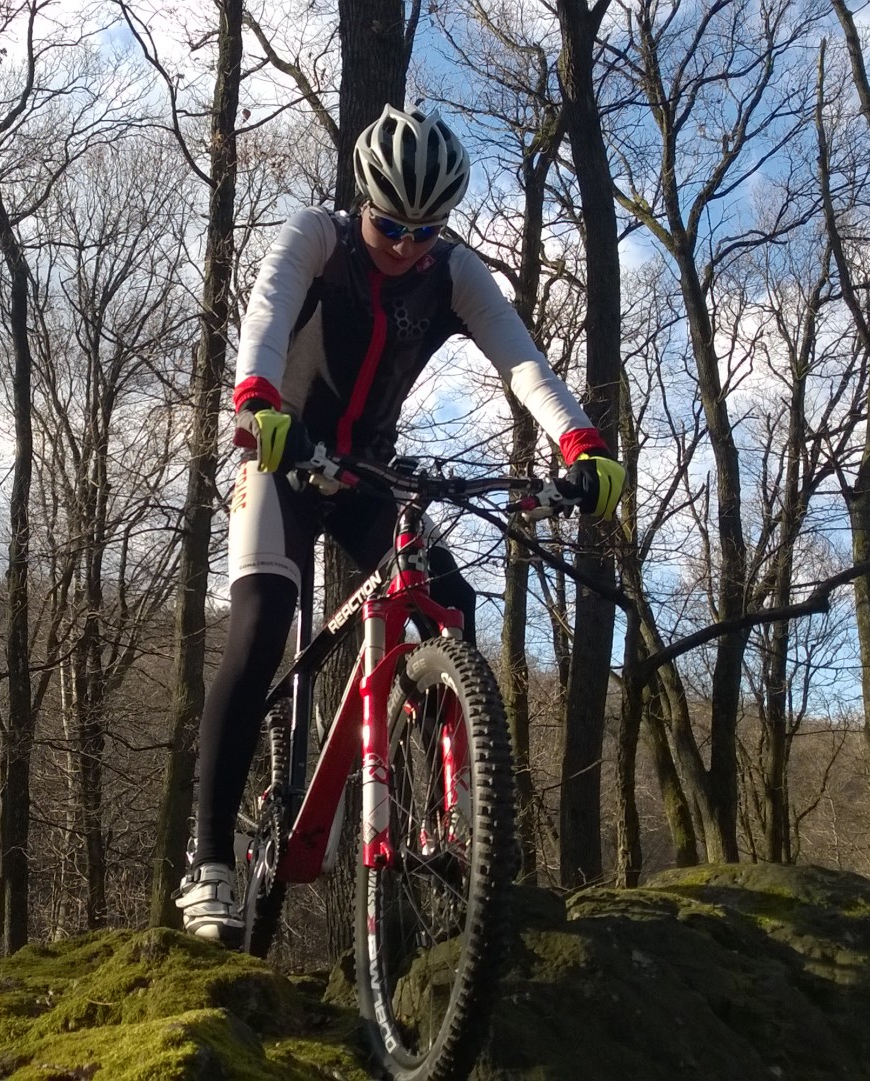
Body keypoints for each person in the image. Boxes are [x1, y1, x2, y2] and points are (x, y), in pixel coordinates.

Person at [174, 103, 627, 940]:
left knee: (452, 601)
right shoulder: (319, 237)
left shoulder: (451, 273)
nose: (407, 245)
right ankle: (208, 863)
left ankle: (443, 816)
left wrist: (582, 445)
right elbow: (267, 312)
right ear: (364, 205)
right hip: (282, 453)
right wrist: (257, 402)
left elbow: (522, 361)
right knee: (263, 620)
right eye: (390, 225)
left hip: (365, 472)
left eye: (426, 231)